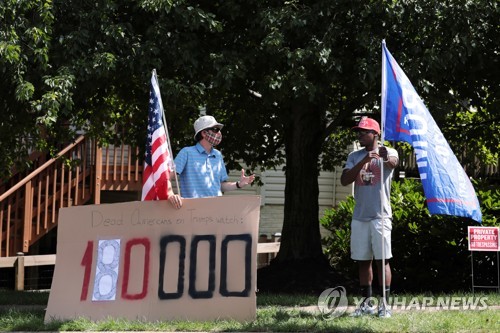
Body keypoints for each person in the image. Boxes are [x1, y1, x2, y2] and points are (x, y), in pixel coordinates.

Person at [340, 116, 399, 318]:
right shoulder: (354, 155)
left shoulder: (388, 152)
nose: (360, 135)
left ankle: (385, 305)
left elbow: (393, 163)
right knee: (363, 261)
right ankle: (367, 303)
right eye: (358, 132)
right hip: (360, 216)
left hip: (380, 216)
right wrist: (364, 161)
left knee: (382, 261)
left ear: (375, 134)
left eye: (364, 132)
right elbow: (345, 180)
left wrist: (382, 157)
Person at [167, 115, 255, 209]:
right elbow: (167, 177)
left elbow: (220, 186)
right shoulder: (186, 152)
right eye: (216, 129)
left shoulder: (218, 155)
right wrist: (171, 195)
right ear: (204, 133)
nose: (219, 133)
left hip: (216, 210)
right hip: (193, 211)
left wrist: (239, 184)